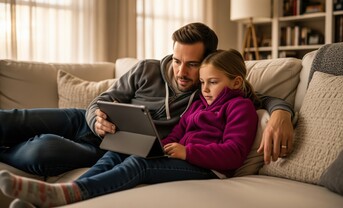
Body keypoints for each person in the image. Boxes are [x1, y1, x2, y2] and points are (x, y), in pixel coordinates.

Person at [0, 22, 293, 178]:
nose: (182, 71)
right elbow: (104, 99)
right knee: (13, 118)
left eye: (192, 64)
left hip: (108, 149)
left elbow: (255, 95)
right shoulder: (146, 69)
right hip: (85, 121)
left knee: (40, 152)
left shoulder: (208, 92)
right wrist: (96, 118)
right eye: (177, 60)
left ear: (206, 62)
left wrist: (281, 112)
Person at [0, 49, 260, 207]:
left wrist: (186, 152)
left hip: (209, 168)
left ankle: (74, 192)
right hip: (108, 130)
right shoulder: (200, 99)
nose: (203, 88)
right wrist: (161, 146)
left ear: (236, 82)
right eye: (203, 82)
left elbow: (234, 153)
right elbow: (180, 129)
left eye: (211, 82)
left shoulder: (240, 107)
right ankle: (64, 193)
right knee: (118, 154)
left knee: (139, 165)